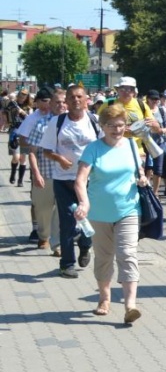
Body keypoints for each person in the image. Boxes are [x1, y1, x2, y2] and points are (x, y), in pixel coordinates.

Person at [73, 104, 146, 324]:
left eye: (121, 125)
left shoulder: (131, 146)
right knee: (104, 257)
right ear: (102, 126)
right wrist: (84, 203)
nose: (117, 130)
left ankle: (130, 305)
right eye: (112, 126)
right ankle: (104, 298)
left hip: (128, 210)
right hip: (99, 213)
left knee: (127, 253)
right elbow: (80, 180)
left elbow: (139, 172)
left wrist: (143, 178)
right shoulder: (93, 148)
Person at [40, 85, 101, 277]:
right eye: (72, 97)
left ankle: (85, 244)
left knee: (88, 218)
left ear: (86, 100)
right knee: (67, 221)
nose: (76, 100)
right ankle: (67, 264)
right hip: (64, 180)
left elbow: (104, 147)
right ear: (66, 100)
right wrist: (59, 158)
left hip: (89, 180)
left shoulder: (94, 121)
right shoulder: (57, 122)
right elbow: (46, 150)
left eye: (79, 97)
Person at [23, 88, 58, 250]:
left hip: (68, 175)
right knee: (43, 209)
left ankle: (58, 242)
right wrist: (36, 173)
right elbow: (30, 149)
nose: (61, 105)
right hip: (45, 172)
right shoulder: (40, 123)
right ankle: (43, 235)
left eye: (63, 102)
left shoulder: (75, 123)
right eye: (57, 102)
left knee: (62, 210)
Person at [6, 88, 33, 186]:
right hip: (14, 132)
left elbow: (31, 119)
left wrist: (22, 112)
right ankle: (13, 173)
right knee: (16, 157)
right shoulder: (13, 104)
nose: (22, 97)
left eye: (24, 95)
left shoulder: (29, 107)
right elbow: (5, 113)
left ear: (27, 97)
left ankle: (20, 180)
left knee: (23, 158)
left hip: (25, 133)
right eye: (21, 95)